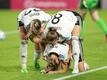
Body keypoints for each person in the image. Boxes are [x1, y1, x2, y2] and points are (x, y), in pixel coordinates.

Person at [17, 8, 51, 73]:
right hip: (22, 16)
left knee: (40, 40)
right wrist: (31, 34)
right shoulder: (26, 24)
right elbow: (32, 38)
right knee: (24, 42)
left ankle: (36, 61)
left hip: (38, 14)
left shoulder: (46, 17)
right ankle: (23, 65)